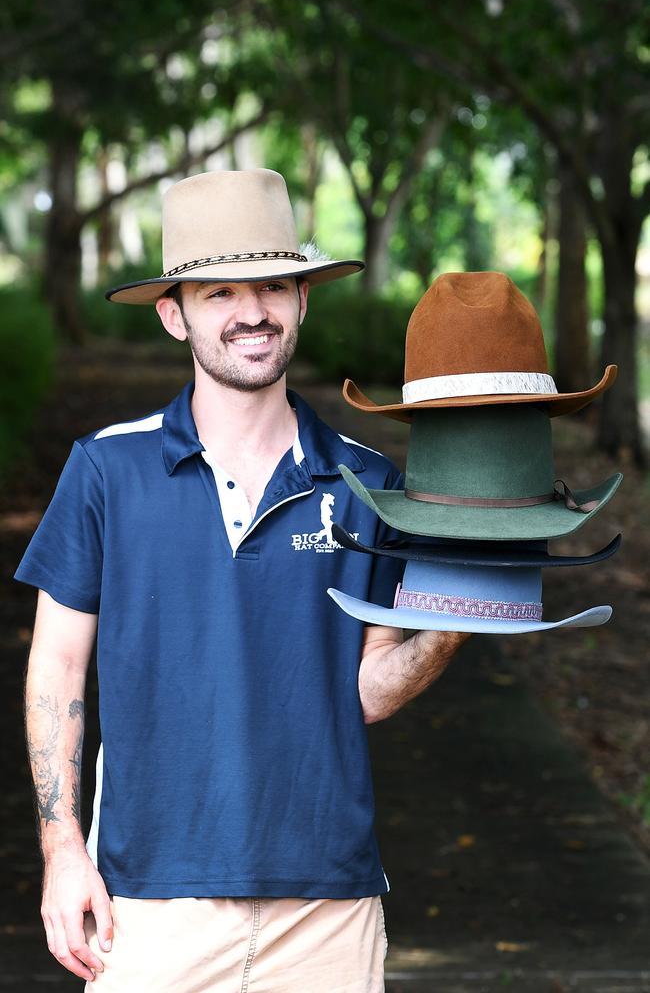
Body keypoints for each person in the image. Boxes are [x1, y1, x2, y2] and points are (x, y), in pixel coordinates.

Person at [17, 168, 467, 992]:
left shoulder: (366, 482)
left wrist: (461, 612)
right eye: (218, 292)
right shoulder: (107, 469)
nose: (250, 311)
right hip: (148, 904)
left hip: (326, 908)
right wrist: (62, 850)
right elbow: (55, 669)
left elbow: (369, 687)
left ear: (302, 299)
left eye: (271, 287)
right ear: (172, 315)